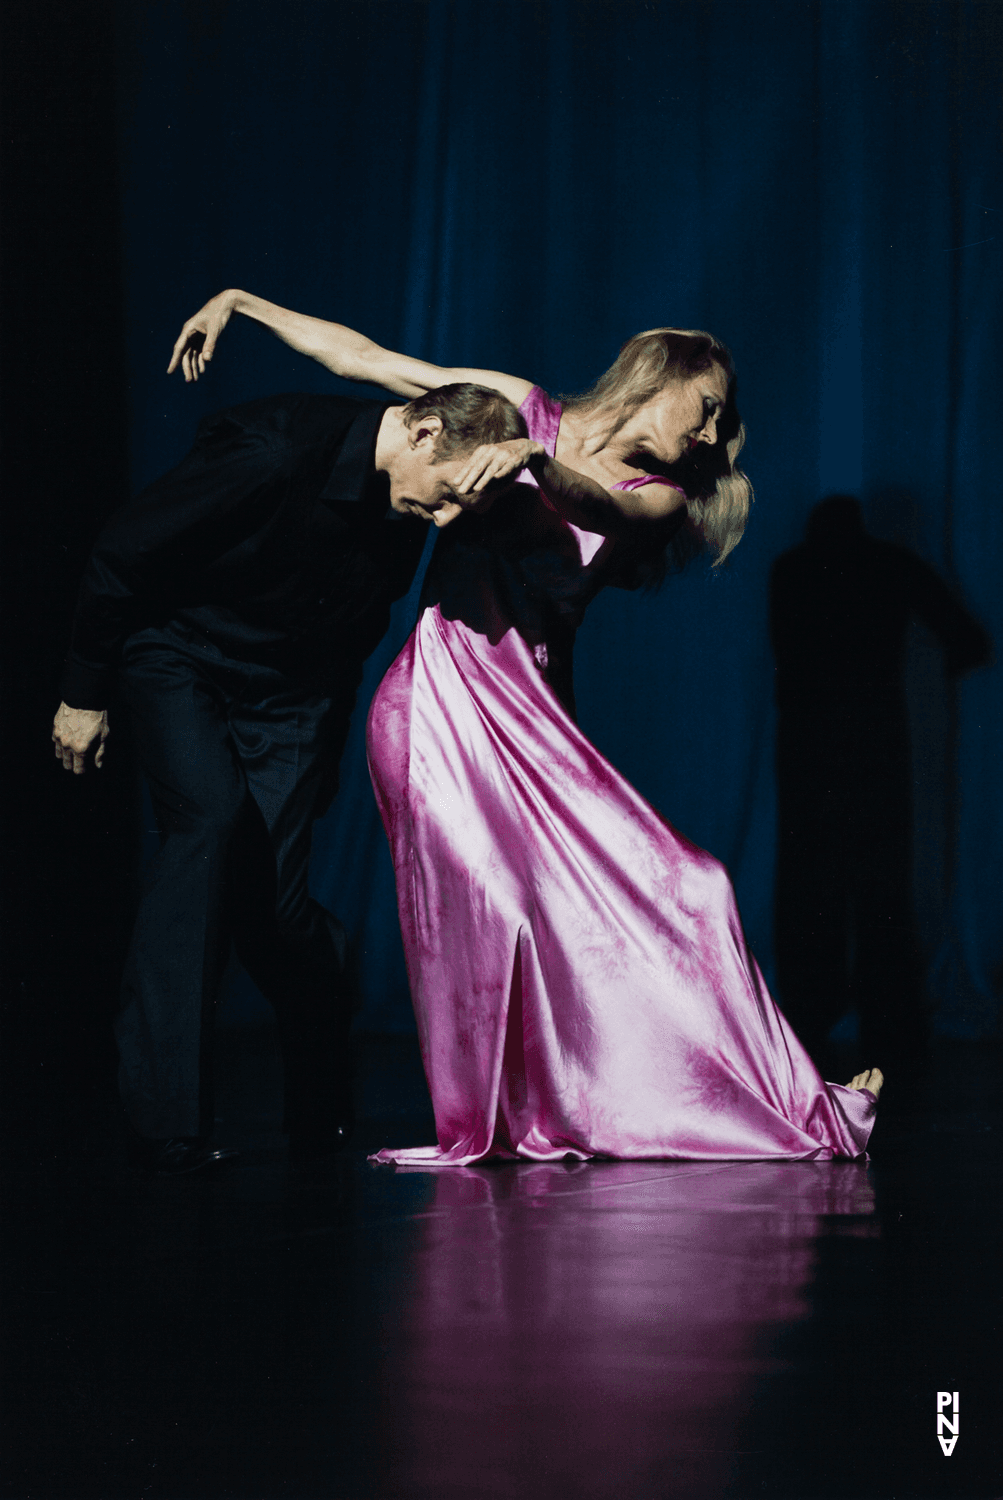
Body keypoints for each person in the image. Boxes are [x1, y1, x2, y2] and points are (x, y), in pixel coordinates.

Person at [170, 291, 884, 1165]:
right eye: (705, 410)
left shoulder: (653, 498)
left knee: (694, 888)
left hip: (539, 724)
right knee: (497, 910)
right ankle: (486, 1119)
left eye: (719, 424)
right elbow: (369, 361)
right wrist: (241, 307)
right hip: (435, 703)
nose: (708, 436)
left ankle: (785, 1095)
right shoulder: (522, 403)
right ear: (656, 376)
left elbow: (590, 503)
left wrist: (529, 462)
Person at [52, 378, 529, 1172]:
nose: (445, 520)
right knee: (204, 825)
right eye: (446, 495)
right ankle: (167, 1119)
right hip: (180, 656)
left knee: (271, 905)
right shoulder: (273, 452)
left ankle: (320, 1109)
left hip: (295, 695)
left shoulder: (424, 479)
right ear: (421, 433)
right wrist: (81, 692)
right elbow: (124, 550)